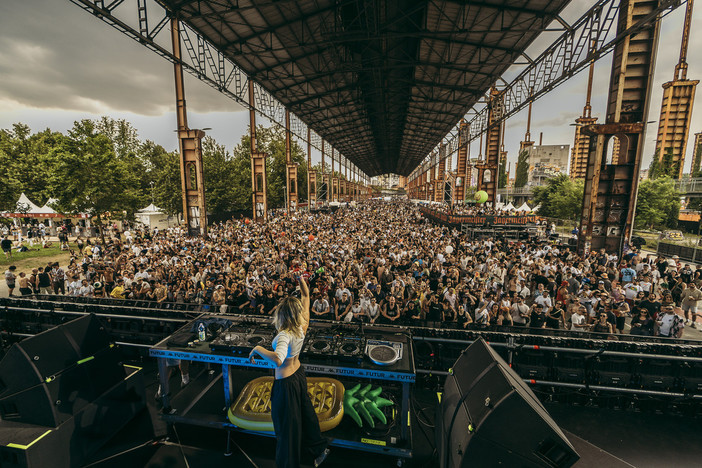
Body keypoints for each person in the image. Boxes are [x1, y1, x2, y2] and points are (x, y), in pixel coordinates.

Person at [248, 277, 330, 468]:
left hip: (285, 385)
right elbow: (306, 295)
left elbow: (278, 359)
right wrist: (300, 278)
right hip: (299, 375)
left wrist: (258, 349)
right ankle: (318, 450)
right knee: (307, 415)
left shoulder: (283, 336)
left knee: (286, 429)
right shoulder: (302, 326)